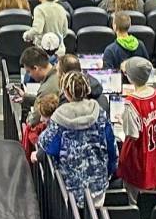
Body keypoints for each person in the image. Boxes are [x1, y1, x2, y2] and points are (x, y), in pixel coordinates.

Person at [39, 70, 116, 202]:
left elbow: (49, 146)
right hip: (98, 184)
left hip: (69, 186)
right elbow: (111, 148)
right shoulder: (100, 113)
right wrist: (108, 172)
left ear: (66, 92)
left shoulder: (59, 117)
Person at [117, 57, 156, 190]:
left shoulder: (132, 102)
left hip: (138, 160)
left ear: (131, 78)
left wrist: (122, 120)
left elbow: (132, 134)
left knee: (135, 202)